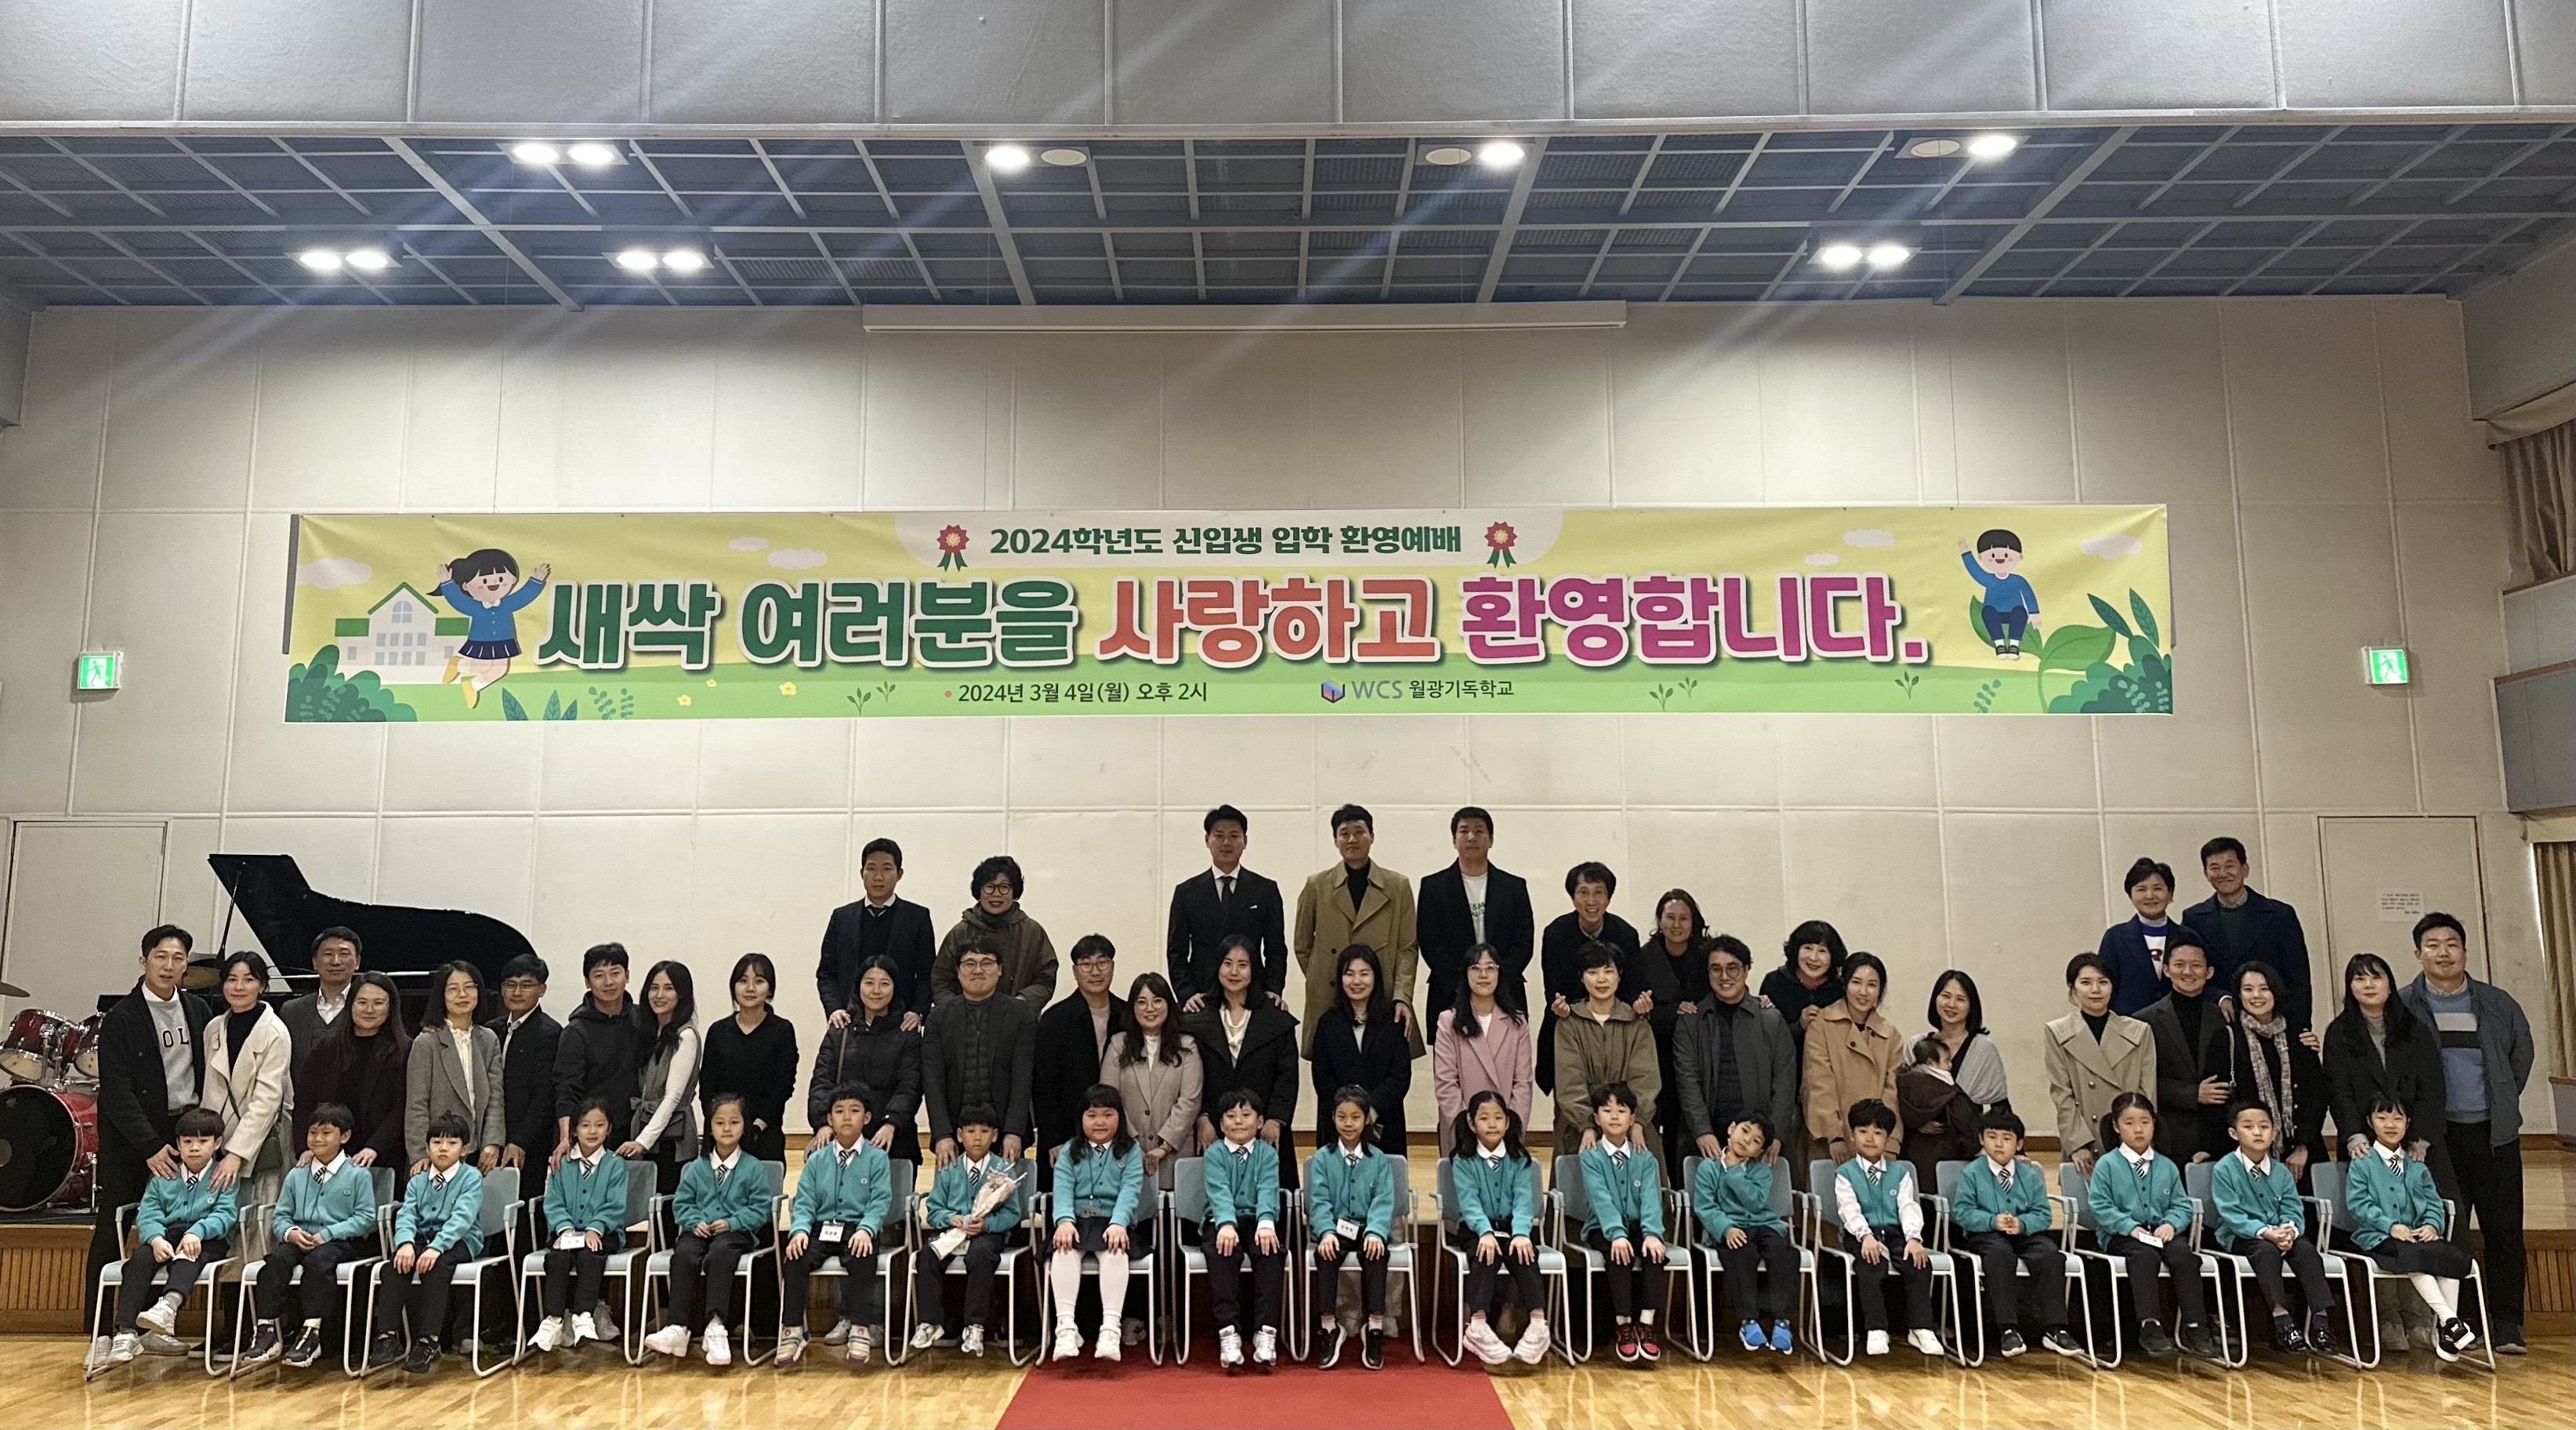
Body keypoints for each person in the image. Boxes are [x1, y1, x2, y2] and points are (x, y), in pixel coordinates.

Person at [2397, 910, 2534, 1354]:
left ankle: (2507, 1323)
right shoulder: (2404, 1005)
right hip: (2437, 1139)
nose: (2443, 953)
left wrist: (2500, 1099)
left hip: (2495, 1136)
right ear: (2418, 954)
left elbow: (2520, 1058)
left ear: (2465, 951)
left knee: (2504, 1230)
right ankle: (2465, 1322)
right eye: (2433, 945)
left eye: (2452, 944)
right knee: (2452, 1230)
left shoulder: (2497, 1003)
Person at [90, 927, 214, 1328]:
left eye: (178, 958)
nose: (169, 966)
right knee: (114, 1226)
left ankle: (149, 1322)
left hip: (184, 1131)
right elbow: (117, 1092)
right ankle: (99, 1327)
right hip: (133, 1139)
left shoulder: (199, 1009)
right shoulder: (121, 1018)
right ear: (144, 962)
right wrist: (149, 1145)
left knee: (174, 1226)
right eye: (160, 957)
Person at [87, 1106, 237, 1378]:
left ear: (217, 1144)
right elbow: (148, 1213)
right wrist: (155, 1238)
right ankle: (127, 1332)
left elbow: (225, 1215)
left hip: (207, 1239)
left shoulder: (223, 1176)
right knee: (139, 1260)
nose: (194, 1148)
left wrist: (198, 1232)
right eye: (187, 1141)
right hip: (168, 1234)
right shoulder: (163, 1177)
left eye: (203, 1141)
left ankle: (169, 1305)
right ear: (178, 1144)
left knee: (188, 1256)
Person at [236, 1102, 379, 1370]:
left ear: (344, 1136)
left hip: (337, 1242)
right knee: (276, 1261)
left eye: (326, 1133)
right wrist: (291, 1232)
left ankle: (311, 1333)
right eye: (313, 1133)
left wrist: (329, 1233)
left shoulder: (358, 1175)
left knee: (318, 1263)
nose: (318, 1139)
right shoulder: (297, 1175)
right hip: (300, 1239)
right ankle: (266, 1330)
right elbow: (281, 1216)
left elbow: (365, 1219)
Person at [2346, 1096, 2482, 1363]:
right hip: (2378, 1237)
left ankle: (2448, 1332)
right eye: (2382, 1118)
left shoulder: (2417, 1166)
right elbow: (2358, 1205)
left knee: (2451, 1258)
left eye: (2397, 1119)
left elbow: (2434, 1202)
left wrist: (2432, 1224)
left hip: (2417, 1236)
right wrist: (2390, 1226)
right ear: (2370, 1123)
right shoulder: (2362, 1163)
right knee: (2414, 1256)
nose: (2390, 1125)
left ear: (2407, 1124)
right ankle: (2450, 1322)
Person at [641, 1095, 773, 1366]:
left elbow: (760, 1209)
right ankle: (678, 1327)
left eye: (734, 1122)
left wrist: (733, 1222)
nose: (727, 1129)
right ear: (710, 1128)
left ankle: (716, 1325)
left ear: (744, 1126)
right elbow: (682, 1204)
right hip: (698, 1231)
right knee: (684, 1253)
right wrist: (695, 1221)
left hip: (735, 1234)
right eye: (720, 1123)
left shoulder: (753, 1167)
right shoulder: (696, 1168)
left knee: (721, 1252)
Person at [2088, 1092, 2219, 1359]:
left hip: (2161, 1233)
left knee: (2185, 1257)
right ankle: (2150, 1325)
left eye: (2145, 1122)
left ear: (2154, 1124)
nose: (2138, 1129)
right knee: (2143, 1256)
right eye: (2129, 1123)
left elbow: (2182, 1205)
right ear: (2116, 1127)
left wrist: (2171, 1224)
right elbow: (2100, 1206)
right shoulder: (2107, 1165)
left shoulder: (2166, 1166)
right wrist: (2129, 1227)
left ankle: (2196, 1326)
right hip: (2124, 1236)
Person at [776, 1082, 893, 1368]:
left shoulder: (877, 1159)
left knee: (862, 1255)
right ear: (829, 1119)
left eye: (854, 1110)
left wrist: (867, 1229)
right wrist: (799, 1231)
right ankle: (792, 1331)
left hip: (858, 1228)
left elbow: (880, 1201)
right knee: (796, 1257)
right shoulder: (817, 1160)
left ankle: (860, 1327)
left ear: (866, 1118)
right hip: (822, 1227)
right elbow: (804, 1201)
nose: (846, 1117)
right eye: (839, 1111)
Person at [1294, 804, 1422, 1059]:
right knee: (1332, 1071)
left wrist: (1402, 996)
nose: (1352, 839)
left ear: (1372, 836)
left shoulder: (1397, 886)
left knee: (1383, 1067)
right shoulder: (1317, 886)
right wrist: (1327, 977)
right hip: (1330, 997)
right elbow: (1302, 945)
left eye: (1359, 832)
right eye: (1344, 833)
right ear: (1335, 840)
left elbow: (1407, 948)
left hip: (1382, 996)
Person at [2210, 1102, 2338, 1356]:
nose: (2258, 1132)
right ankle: (2282, 1321)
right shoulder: (2225, 1168)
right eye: (2248, 1127)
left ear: (2274, 1132)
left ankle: (2320, 1322)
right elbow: (2231, 1213)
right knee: (2266, 1252)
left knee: (2307, 1251)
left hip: (2280, 1234)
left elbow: (2293, 1208)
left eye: (2264, 1127)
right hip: (2242, 1235)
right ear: (2234, 1133)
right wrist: (2265, 1232)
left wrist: (2289, 1230)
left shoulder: (2280, 1171)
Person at [1951, 1109, 2080, 1359]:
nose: (1999, 1144)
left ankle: (2056, 1329)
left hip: (2024, 1234)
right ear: (1981, 1140)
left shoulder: (2029, 1176)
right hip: (1987, 1235)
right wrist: (1992, 1221)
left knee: (2051, 1255)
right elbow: (1962, 1212)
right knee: (2000, 1255)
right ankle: (2008, 1329)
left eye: (2007, 1138)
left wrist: (2022, 1224)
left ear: (2019, 1144)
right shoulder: (1972, 1173)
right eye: (1992, 1137)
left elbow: (2043, 1214)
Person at [365, 1111, 486, 1374]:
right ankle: (387, 1337)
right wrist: (405, 1243)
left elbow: (462, 1218)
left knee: (436, 1267)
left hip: (459, 1241)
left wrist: (436, 1247)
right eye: (437, 1142)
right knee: (393, 1267)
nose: (443, 1148)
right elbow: (407, 1214)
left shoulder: (471, 1177)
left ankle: (428, 1340)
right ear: (428, 1147)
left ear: (464, 1149)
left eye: (452, 1143)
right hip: (421, 1239)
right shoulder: (418, 1181)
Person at [1829, 1098, 1942, 1357]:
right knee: (1871, 1265)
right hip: (1861, 1234)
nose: (1870, 1139)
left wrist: (1913, 1238)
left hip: (1895, 1232)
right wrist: (1865, 1236)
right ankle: (1876, 1328)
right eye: (1863, 1132)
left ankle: (1921, 1328)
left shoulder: (1899, 1173)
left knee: (1918, 1264)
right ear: (1852, 1135)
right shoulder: (1846, 1173)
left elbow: (1908, 1207)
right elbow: (1849, 1209)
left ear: (1888, 1138)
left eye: (1878, 1133)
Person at [1184, 936, 1301, 1186]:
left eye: (1243, 965)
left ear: (1254, 969)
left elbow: (1287, 1076)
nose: (1234, 972)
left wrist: (1275, 1119)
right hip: (1214, 1126)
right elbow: (1191, 1077)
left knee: (1268, 1194)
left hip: (1263, 1126)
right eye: (1227, 964)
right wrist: (1202, 1117)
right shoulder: (1198, 1016)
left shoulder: (1275, 1017)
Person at [1673, 936, 1798, 1169]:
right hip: (1707, 1138)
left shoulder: (1770, 1019)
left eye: (1733, 968)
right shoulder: (1691, 1022)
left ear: (1746, 970)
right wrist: (1702, 1131)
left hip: (1760, 1141)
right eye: (1716, 969)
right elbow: (1687, 1080)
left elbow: (1785, 1081)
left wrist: (1775, 1134)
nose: (1724, 976)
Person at [909, 1105, 1023, 1359]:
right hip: (953, 1233)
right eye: (971, 1132)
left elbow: (1013, 1214)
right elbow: (934, 1210)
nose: (977, 1138)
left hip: (987, 1234)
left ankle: (975, 1325)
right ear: (960, 1136)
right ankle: (929, 1322)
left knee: (980, 1254)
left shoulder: (1003, 1168)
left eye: (984, 1131)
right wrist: (951, 1218)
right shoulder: (948, 1168)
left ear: (995, 1136)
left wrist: (988, 1224)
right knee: (927, 1255)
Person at [1046, 1084, 1148, 1363]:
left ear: (1120, 1118)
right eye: (1092, 1115)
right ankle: (1066, 1328)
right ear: (1081, 1118)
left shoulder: (1131, 1150)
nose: (1099, 1122)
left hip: (1113, 1222)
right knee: (1063, 1250)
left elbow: (1130, 1191)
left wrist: (1119, 1223)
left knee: (1115, 1251)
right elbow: (1062, 1190)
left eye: (1107, 1115)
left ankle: (1111, 1329)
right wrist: (1064, 1221)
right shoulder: (1070, 1150)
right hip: (1076, 1221)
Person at [1448, 1091, 1552, 1367]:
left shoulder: (1520, 1159)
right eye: (1484, 1118)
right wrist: (1485, 1232)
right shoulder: (1463, 1160)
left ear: (1507, 1122)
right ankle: (1478, 1324)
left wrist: (1521, 1233)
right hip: (1476, 1229)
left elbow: (1523, 1201)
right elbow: (1469, 1204)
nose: (1492, 1124)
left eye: (1498, 1118)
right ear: (1472, 1124)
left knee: (1524, 1252)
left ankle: (1538, 1323)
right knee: (1485, 1252)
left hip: (1511, 1227)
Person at [2324, 953, 2446, 1173]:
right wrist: (2354, 1136)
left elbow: (2432, 1088)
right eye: (2360, 978)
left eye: (2376, 977)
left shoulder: (2415, 1030)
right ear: (2350, 987)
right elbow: (2338, 1092)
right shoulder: (2338, 1033)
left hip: (2417, 1144)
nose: (2368, 985)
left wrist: (2421, 1139)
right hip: (2363, 1144)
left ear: (2390, 985)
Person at [923, 933, 1038, 1168]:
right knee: (952, 1191)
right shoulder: (939, 1017)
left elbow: (1023, 1076)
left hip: (1005, 1134)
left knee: (1007, 1191)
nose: (978, 970)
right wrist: (942, 1134)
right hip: (954, 1134)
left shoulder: (1020, 1014)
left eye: (987, 963)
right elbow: (932, 1079)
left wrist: (1014, 1131)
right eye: (969, 964)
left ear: (1000, 969)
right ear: (958, 971)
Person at [525, 1099, 628, 1355]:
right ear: (573, 1130)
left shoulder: (615, 1164)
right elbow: (553, 1202)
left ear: (609, 1129)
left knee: (590, 1254)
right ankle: (553, 1319)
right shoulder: (561, 1162)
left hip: (603, 1233)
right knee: (557, 1257)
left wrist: (596, 1227)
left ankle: (584, 1315)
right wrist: (564, 1228)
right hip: (567, 1232)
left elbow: (615, 1205)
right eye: (585, 1125)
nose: (592, 1131)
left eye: (599, 1125)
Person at [1415, 806, 1534, 1025]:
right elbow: (1430, 943)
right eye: (1464, 831)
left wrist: (1496, 981)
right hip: (1450, 992)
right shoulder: (1433, 887)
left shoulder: (1514, 887)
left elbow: (1523, 941)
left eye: (1479, 831)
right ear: (1454, 840)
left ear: (1491, 839)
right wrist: (1464, 982)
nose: (1471, 837)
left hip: (1506, 991)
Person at [1577, 1081, 1668, 1365]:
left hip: (1639, 1226)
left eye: (1621, 1110)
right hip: (1603, 1228)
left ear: (1632, 1119)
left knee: (1655, 1253)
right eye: (1607, 1110)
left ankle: (1647, 1323)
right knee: (1620, 1255)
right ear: (1597, 1119)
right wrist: (1617, 1234)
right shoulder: (1591, 1157)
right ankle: (1623, 1324)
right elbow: (1601, 1200)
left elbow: (1651, 1199)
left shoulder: (1645, 1158)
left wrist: (1652, 1233)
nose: (1614, 1116)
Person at [2183, 836, 2315, 1031]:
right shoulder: (2194, 918)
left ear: (2245, 869)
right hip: (2219, 1022)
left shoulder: (2279, 915)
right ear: (2206, 873)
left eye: (2230, 866)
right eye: (2215, 868)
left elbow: (2298, 978)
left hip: (2273, 1021)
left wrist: (2300, 1028)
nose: (2223, 873)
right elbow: (2191, 974)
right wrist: (2219, 997)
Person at [1306, 1085, 1397, 1369]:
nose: (1348, 1123)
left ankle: (1375, 1326)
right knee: (1326, 1254)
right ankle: (1329, 1327)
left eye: (1355, 1117)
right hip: (1335, 1229)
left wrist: (1376, 1231)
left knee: (1377, 1254)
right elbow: (1318, 1201)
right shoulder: (1322, 1158)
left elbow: (1383, 1200)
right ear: (1333, 1117)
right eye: (1342, 1117)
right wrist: (1326, 1232)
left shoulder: (1378, 1159)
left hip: (1368, 1229)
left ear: (1366, 1119)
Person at [1166, 805, 1288, 1012]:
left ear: (1245, 841)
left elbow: (1276, 949)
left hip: (1252, 994)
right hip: (1202, 997)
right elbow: (1176, 952)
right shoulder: (1186, 892)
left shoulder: (1265, 890)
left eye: (1234, 836)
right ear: (1207, 840)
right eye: (1219, 836)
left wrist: (1272, 989)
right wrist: (1187, 994)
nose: (1226, 843)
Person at [197, 950, 295, 1208]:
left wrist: (237, 1153)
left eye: (249, 979)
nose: (239, 987)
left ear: (262, 986)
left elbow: (267, 1101)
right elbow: (209, 1090)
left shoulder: (275, 1032)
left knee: (255, 1218)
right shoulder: (213, 1028)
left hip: (258, 1142)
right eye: (232, 979)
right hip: (216, 1142)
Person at [2043, 953, 2156, 1175]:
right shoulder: (2057, 1032)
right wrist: (2077, 1143)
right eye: (2086, 983)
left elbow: (2148, 1093)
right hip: (2086, 1143)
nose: (2095, 990)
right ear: (2073, 988)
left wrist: (2139, 1137)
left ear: (2112, 987)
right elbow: (2062, 1094)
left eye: (2103, 982)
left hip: (2131, 1139)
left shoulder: (2139, 1031)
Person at [1034, 935, 1131, 1192]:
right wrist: (1053, 1139)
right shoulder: (1055, 1020)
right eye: (1086, 965)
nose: (1096, 972)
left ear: (1112, 966)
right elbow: (1043, 1086)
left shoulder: (1127, 1015)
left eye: (1103, 963)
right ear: (1075, 971)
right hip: (1066, 1133)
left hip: (1117, 1134)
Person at [808, 955, 924, 1168]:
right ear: (858, 986)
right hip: (842, 1137)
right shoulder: (840, 1030)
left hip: (892, 1140)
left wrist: (891, 1123)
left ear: (896, 988)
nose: (876, 991)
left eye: (885, 983)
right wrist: (823, 1124)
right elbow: (821, 1083)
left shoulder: (907, 1033)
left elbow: (910, 1087)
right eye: (869, 983)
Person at [1695, 1110, 1794, 1357]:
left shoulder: (1761, 1171)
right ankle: (1748, 1320)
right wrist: (1726, 1228)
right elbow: (1705, 1207)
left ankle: (1782, 1322)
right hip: (1731, 1228)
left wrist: (1734, 1171)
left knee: (1783, 1253)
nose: (1747, 1140)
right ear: (1731, 1129)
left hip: (1764, 1225)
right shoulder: (1708, 1168)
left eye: (1756, 1141)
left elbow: (1755, 1202)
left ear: (1759, 1152)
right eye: (1744, 1131)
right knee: (1742, 1252)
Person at [1201, 1088, 1286, 1370]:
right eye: (1231, 1116)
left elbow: (1268, 1190)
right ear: (1221, 1123)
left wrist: (1266, 1223)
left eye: (1246, 1115)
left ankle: (1266, 1332)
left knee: (1271, 1252)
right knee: (1221, 1252)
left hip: (1257, 1221)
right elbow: (1219, 1191)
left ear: (1260, 1122)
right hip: (1221, 1221)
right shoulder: (1215, 1153)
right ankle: (1229, 1332)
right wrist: (1226, 1224)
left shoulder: (1268, 1153)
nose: (1238, 1121)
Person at [1536, 862, 1638, 1095]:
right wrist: (1563, 1007)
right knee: (1571, 1095)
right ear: (1573, 898)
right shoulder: (1556, 933)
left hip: (1613, 1028)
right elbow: (1553, 988)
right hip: (1570, 1022)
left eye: (1599, 893)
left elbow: (1632, 987)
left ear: (1609, 898)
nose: (1591, 901)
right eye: (1583, 893)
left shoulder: (1626, 934)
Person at [1552, 943, 1660, 1160]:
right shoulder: (1569, 1023)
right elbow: (1569, 1080)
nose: (1601, 979)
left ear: (1619, 976)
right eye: (1592, 972)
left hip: (1631, 1121)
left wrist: (1637, 1122)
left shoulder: (1636, 1022)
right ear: (1582, 978)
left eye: (1608, 971)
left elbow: (1646, 1079)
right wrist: (1586, 1125)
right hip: (1581, 1124)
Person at [293, 971, 410, 1170]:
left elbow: (401, 1108)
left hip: (380, 1158)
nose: (369, 1010)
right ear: (350, 1005)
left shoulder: (404, 1051)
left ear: (391, 1007)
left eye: (378, 1003)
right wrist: (306, 1147)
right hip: (325, 1156)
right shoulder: (326, 1049)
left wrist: (375, 1147)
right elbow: (305, 1103)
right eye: (362, 1002)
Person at [819, 838, 939, 1029]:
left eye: (887, 869)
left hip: (901, 1023)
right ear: (862, 873)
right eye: (872, 869)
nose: (878, 877)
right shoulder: (842, 917)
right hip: (850, 1020)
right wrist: (835, 1008)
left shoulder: (917, 917)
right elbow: (827, 972)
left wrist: (917, 1011)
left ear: (899, 874)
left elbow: (927, 973)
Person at [2223, 961, 2326, 1175]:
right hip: (2248, 1156)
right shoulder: (2227, 1037)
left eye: (2264, 988)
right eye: (2248, 989)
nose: (2256, 996)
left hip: (2302, 1155)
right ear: (2239, 995)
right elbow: (2222, 1101)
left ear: (2276, 992)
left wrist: (2303, 1146)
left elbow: (2317, 1095)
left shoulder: (2298, 1035)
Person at [1101, 972, 1201, 1189]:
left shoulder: (1187, 1046)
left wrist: (1164, 1147)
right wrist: (1131, 1144)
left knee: (1175, 1210)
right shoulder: (1118, 1044)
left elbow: (1189, 1102)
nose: (1150, 1008)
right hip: (1127, 1154)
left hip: (1175, 1156)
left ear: (1169, 1005)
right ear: (1132, 1007)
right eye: (1142, 1002)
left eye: (1157, 1001)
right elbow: (1109, 1100)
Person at [2138, 931, 2230, 1163]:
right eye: (2179, 965)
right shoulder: (2144, 1021)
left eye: (2196, 965)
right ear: (2166, 970)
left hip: (2218, 1135)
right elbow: (2141, 1081)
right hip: (2166, 1135)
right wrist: (2192, 1093)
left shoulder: (2222, 1018)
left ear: (2209, 972)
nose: (2188, 972)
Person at [1310, 945, 1411, 1158]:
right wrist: (1349, 1112)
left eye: (1364, 974)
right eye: (1349, 974)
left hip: (1384, 1122)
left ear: (1376, 977)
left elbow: (1400, 1076)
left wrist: (1370, 1109)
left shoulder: (1393, 1022)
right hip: (1338, 1124)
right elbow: (1322, 1076)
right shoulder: (1328, 1023)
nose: (1357, 981)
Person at [405, 960, 506, 1173]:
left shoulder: (489, 1040)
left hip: (477, 1151)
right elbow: (417, 1105)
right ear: (441, 995)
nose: (462, 995)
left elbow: (496, 1098)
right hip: (438, 1153)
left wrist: (493, 1142)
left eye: (469, 987)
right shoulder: (426, 1042)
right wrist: (421, 1154)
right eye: (453, 989)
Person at [1432, 943, 1532, 1156]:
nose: (1483, 975)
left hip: (1505, 1130)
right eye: (1475, 968)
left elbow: (1523, 1083)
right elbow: (1446, 1083)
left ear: (1499, 973)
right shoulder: (1448, 1022)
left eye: (1490, 968)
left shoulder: (1517, 1023)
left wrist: (1507, 1125)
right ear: (1466, 974)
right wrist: (1468, 1126)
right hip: (1463, 1131)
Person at [1803, 952, 1902, 1167]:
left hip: (1877, 1142)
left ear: (1880, 991)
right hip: (1833, 1142)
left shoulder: (1890, 1035)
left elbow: (1892, 1092)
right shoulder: (1822, 1025)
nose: (1863, 992)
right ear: (1845, 984)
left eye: (1872, 985)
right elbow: (1819, 1083)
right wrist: (1834, 1135)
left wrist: (1891, 1141)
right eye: (1856, 982)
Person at [932, 855, 1059, 1015]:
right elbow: (941, 981)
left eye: (1004, 887)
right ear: (978, 891)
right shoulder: (961, 933)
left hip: (1018, 1020)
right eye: (989, 887)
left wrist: (1021, 1003)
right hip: (966, 1022)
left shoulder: (1032, 932)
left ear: (1015, 891)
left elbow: (1046, 978)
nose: (996, 894)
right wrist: (959, 1011)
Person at [701, 953, 797, 1164]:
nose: (750, 988)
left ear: (770, 989)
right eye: (743, 981)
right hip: (722, 1135)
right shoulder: (718, 1031)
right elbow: (707, 1085)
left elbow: (784, 1085)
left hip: (764, 1132)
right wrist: (720, 1124)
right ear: (734, 987)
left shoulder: (782, 1031)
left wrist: (758, 1125)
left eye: (759, 981)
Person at [1633, 890, 1705, 1169]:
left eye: (1683, 918)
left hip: (1697, 1054)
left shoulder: (1706, 955)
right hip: (1655, 1053)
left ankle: (1688, 1182)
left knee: (1688, 1123)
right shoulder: (1643, 957)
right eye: (1670, 917)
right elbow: (1636, 1008)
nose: (1676, 925)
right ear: (1659, 921)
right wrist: (1672, 1011)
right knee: (1654, 1120)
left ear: (1693, 922)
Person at [553, 943, 642, 1159]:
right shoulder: (575, 1031)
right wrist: (566, 1138)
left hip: (638, 1133)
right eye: (599, 975)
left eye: (615, 973)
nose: (608, 982)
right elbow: (566, 1089)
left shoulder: (643, 1020)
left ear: (627, 975)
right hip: (593, 1135)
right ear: (587, 982)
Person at [621, 961, 701, 1194]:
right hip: (648, 1130)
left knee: (667, 1206)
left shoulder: (686, 1036)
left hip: (673, 1140)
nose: (659, 995)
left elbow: (672, 1098)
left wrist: (643, 1141)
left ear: (681, 994)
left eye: (668, 988)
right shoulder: (650, 1032)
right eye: (654, 988)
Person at [487, 954, 561, 1203]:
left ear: (542, 990)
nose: (517, 992)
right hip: (492, 1138)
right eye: (511, 984)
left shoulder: (550, 1033)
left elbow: (544, 1097)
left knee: (522, 1208)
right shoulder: (491, 1030)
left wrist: (521, 1141)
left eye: (526, 985)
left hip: (529, 1143)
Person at [1907, 969, 2009, 1114]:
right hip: (1920, 1127)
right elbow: (1903, 1097)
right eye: (1946, 996)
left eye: (1960, 999)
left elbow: (2001, 1107)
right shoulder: (1916, 1045)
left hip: (1969, 1127)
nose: (1952, 1004)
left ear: (1971, 1007)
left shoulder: (1983, 1048)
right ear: (1935, 999)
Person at [2100, 856, 2183, 1017]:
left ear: (2170, 894)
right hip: (2129, 1025)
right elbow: (2105, 986)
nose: (2150, 896)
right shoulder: (2115, 938)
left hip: (2177, 1024)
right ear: (2131, 896)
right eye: (2141, 889)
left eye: (2157, 889)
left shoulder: (2186, 937)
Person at [1759, 919, 1849, 1065]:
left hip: (1829, 1070)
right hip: (1785, 1069)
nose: (1813, 958)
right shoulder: (1775, 982)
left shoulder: (1841, 988)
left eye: (1822, 951)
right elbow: (1766, 1039)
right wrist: (1799, 1026)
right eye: (1808, 948)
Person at [1894, 1034, 1978, 1189]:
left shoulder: (1902, 1085)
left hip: (1909, 1155)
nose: (1950, 1066)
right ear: (1931, 1063)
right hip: (1944, 1157)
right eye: (1946, 1061)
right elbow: (1966, 1125)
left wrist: (1917, 1125)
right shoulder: (1947, 1091)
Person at [281, 925, 361, 1084]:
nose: (336, 961)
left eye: (344, 954)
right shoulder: (292, 1011)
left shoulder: (368, 1010)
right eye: (328, 954)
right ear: (315, 962)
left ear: (357, 962)